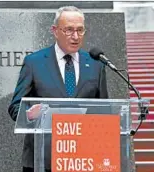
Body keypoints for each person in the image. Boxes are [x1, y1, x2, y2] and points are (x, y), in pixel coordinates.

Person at [8, 6, 108, 172]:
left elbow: (105, 110)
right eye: (69, 30)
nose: (75, 36)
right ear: (55, 31)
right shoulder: (34, 62)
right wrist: (29, 113)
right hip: (42, 158)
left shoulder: (96, 64)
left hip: (83, 157)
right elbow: (15, 106)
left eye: (80, 30)